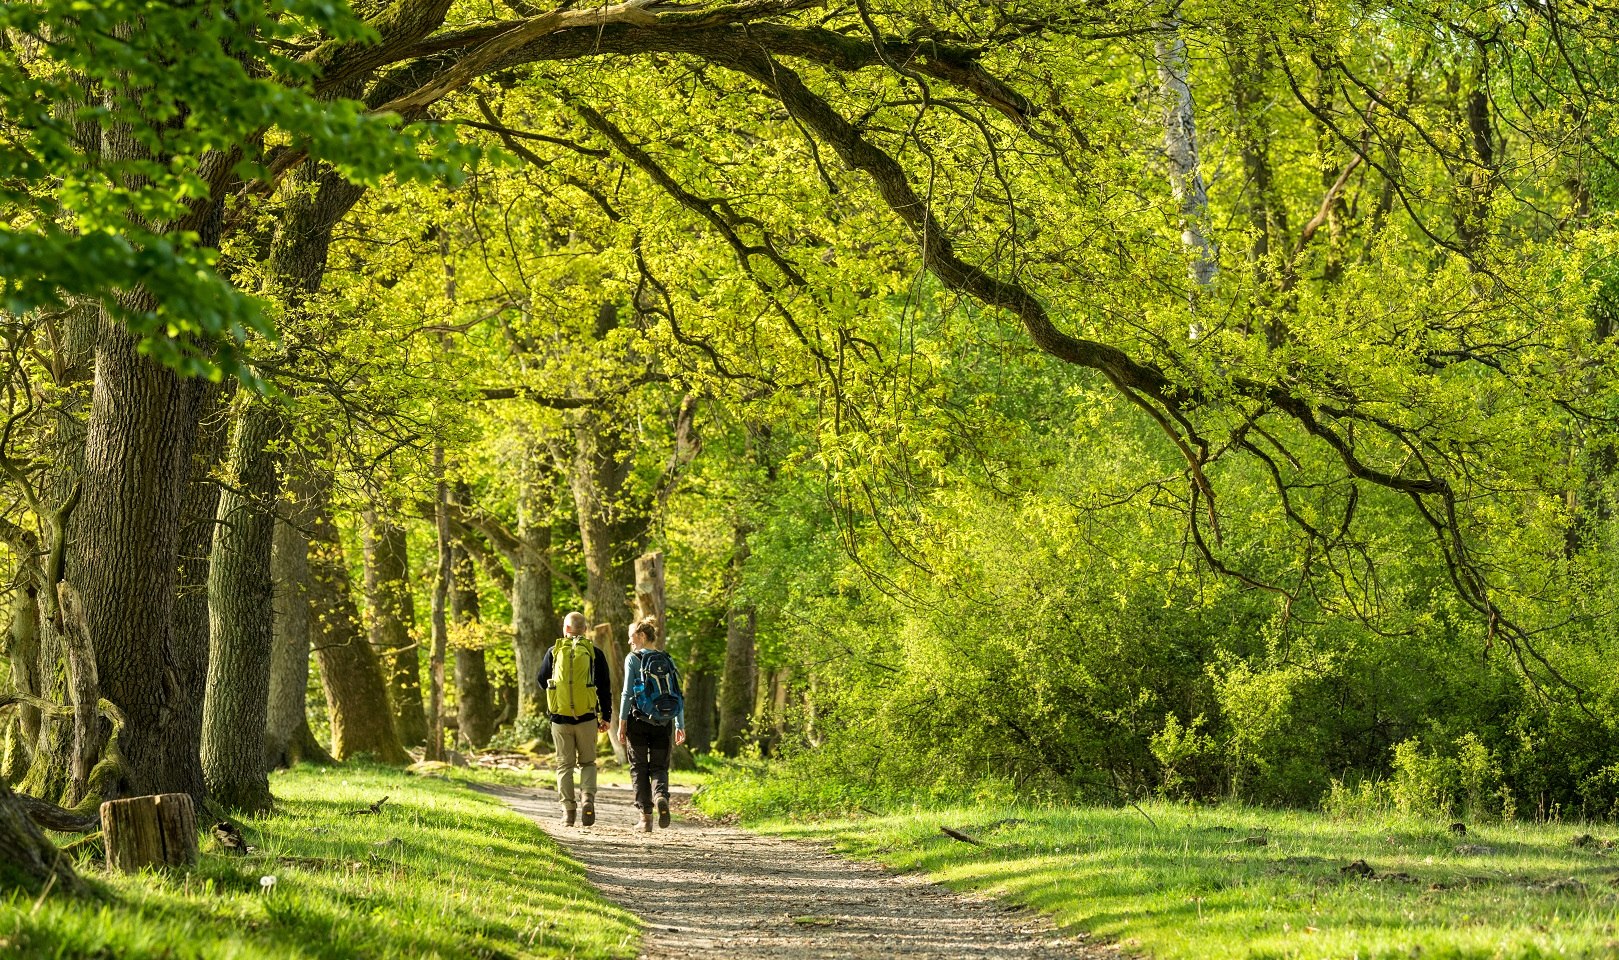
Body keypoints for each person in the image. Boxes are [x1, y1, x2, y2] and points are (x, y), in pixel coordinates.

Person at [536, 611, 612, 827]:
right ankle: (587, 797)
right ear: (585, 630)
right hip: (587, 717)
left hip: (559, 720)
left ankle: (568, 812)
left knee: (564, 766)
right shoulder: (594, 652)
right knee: (588, 762)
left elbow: (542, 681)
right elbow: (605, 688)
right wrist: (605, 716)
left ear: (566, 629)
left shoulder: (554, 651)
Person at [616, 618, 686, 832]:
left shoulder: (633, 658)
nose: (629, 642)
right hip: (663, 721)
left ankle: (646, 818)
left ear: (642, 636)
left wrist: (622, 723)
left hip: (638, 721)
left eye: (631, 636)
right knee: (659, 766)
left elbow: (627, 693)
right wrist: (679, 724)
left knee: (638, 767)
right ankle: (661, 796)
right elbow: (676, 694)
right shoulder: (667, 658)